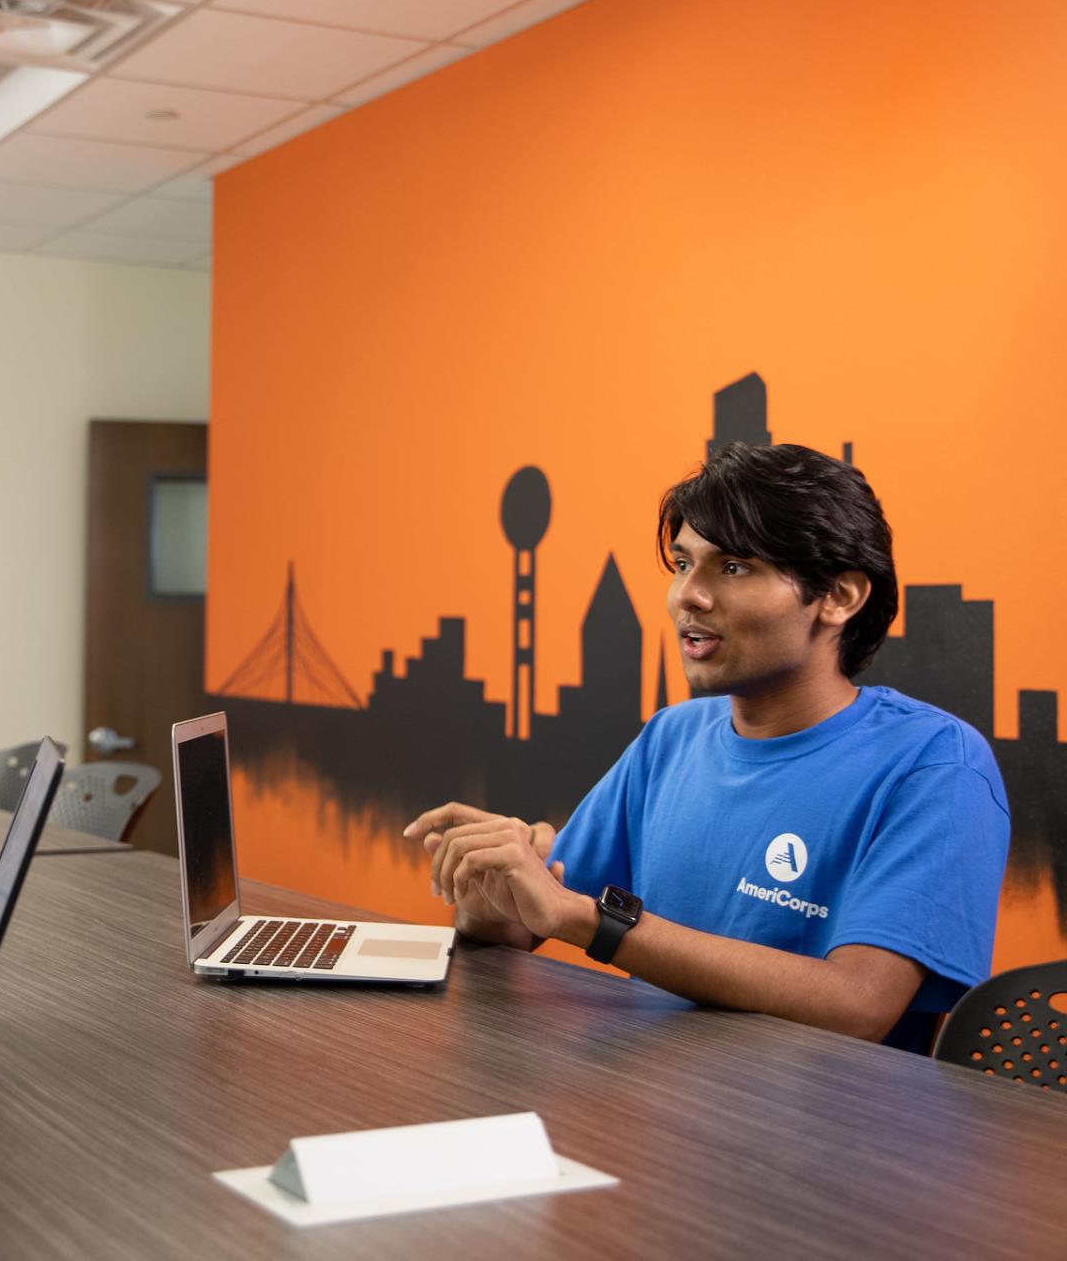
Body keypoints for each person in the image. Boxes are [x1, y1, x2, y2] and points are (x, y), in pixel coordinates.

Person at [404, 443, 1009, 1052]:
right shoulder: (673, 736)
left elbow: (858, 1006)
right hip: (655, 1107)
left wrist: (590, 922)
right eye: (682, 564)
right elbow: (527, 921)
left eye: (734, 567)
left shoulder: (935, 764)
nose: (687, 596)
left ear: (840, 597)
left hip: (833, 1134)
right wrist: (489, 892)